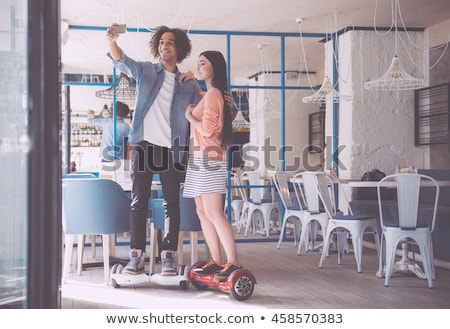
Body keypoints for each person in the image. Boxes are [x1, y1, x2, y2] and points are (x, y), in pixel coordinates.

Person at [106, 24, 203, 276]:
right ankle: (136, 257)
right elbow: (122, 61)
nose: (164, 45)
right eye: (161, 42)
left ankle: (168, 257)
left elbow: (207, 109)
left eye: (169, 42)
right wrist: (112, 40)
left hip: (173, 150)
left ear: (179, 48)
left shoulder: (187, 83)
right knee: (138, 202)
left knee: (172, 204)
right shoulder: (147, 71)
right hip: (144, 146)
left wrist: (195, 79)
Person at [183, 50, 242, 282]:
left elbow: (207, 130)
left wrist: (189, 116)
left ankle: (233, 262)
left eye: (202, 63)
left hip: (210, 159)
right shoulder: (210, 94)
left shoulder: (215, 93)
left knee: (215, 212)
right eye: (197, 63)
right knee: (203, 212)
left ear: (214, 67)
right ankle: (216, 261)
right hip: (199, 160)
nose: (197, 67)